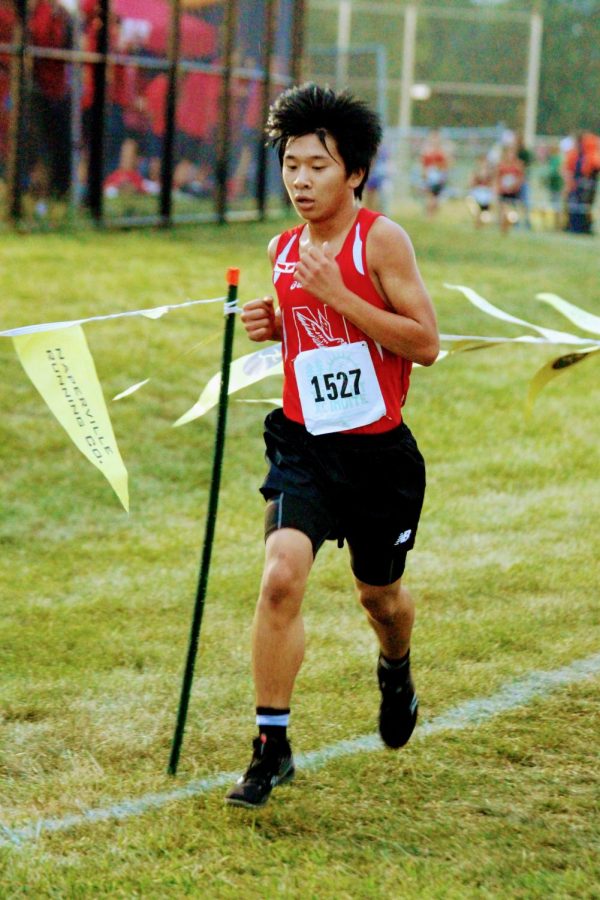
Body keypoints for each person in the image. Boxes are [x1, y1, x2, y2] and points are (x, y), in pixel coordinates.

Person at [225, 83, 439, 810]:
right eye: (291, 164)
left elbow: (426, 343)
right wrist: (274, 325)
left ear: (353, 173)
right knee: (281, 575)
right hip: (305, 443)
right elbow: (314, 339)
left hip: (378, 457)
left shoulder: (381, 240)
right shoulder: (282, 247)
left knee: (379, 597)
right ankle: (271, 745)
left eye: (317, 165)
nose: (300, 180)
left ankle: (396, 664)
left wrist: (341, 295)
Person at [420, 128, 450, 217]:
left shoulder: (442, 152)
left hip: (438, 177)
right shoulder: (427, 152)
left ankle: (432, 215)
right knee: (430, 197)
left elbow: (445, 166)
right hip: (430, 177)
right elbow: (423, 165)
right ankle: (429, 215)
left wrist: (443, 175)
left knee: (436, 199)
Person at [496, 144, 524, 234]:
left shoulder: (518, 165)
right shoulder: (502, 165)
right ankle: (502, 226)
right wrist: (501, 187)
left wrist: (513, 186)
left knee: (512, 210)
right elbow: (497, 177)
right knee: (503, 209)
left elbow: (520, 178)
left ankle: (511, 225)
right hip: (504, 190)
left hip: (513, 191)